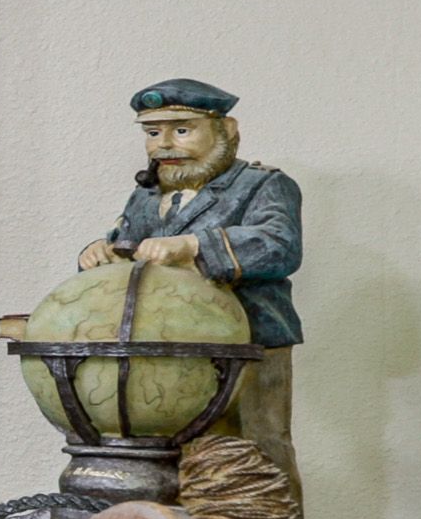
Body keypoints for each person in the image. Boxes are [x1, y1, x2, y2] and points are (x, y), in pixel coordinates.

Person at [78, 78, 300, 494]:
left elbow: (279, 245)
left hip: (249, 343)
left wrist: (194, 246)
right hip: (168, 343)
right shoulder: (147, 195)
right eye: (152, 133)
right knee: (173, 449)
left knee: (252, 451)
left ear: (226, 130)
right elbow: (128, 245)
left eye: (182, 130)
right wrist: (100, 253)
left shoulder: (262, 185)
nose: (165, 145)